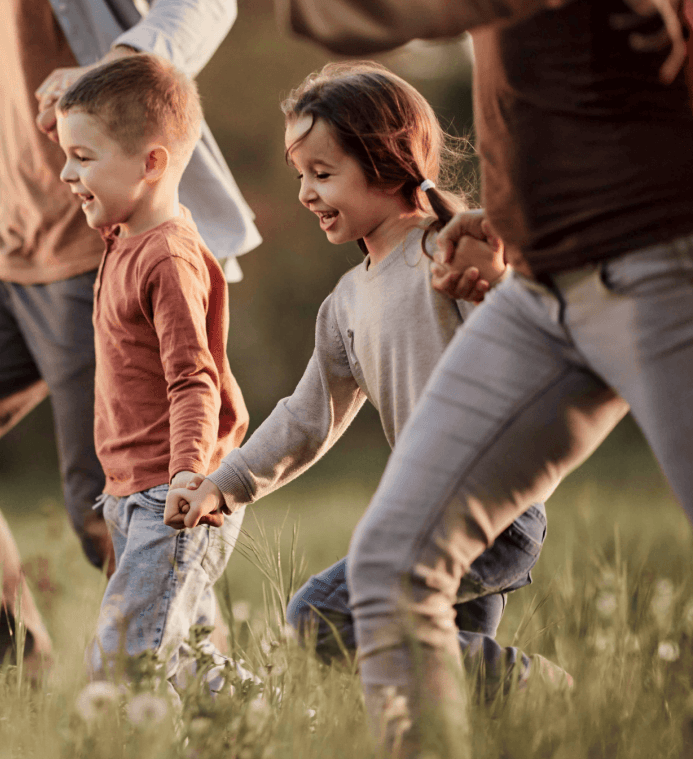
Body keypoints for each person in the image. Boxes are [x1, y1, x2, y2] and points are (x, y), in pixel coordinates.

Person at [275, 0, 693, 755]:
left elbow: (350, 10)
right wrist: (507, 215)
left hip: (661, 263)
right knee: (390, 573)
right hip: (542, 282)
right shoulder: (351, 299)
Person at [0, 0, 259, 673]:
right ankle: (20, 680)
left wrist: (120, 62)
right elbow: (9, 60)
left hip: (103, 253)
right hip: (12, 242)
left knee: (119, 514)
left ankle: (205, 716)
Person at [165, 62, 575, 699]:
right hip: (433, 508)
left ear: (387, 165)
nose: (304, 193)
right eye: (301, 174)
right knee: (442, 696)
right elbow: (308, 417)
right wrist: (225, 485)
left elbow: (530, 337)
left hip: (493, 509)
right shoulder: (346, 303)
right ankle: (527, 711)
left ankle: (539, 687)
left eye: (322, 174)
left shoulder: (447, 252)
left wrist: (497, 278)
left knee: (322, 617)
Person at [54, 54, 253, 694]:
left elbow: (193, 378)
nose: (66, 173)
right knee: (187, 658)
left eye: (82, 157)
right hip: (130, 493)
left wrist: (188, 476)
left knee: (121, 667)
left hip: (170, 497)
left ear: (152, 163)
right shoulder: (124, 236)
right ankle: (270, 718)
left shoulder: (167, 256)